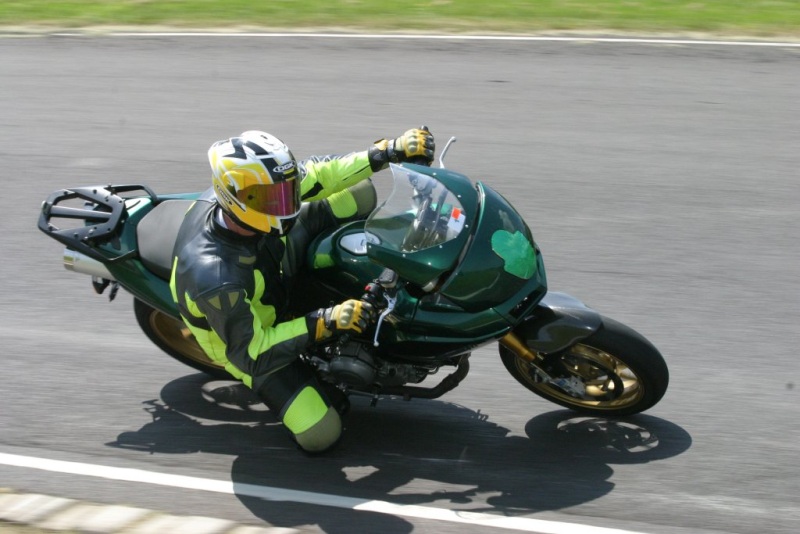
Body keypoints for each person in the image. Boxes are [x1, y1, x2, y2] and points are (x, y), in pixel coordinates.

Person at [170, 128, 435, 453]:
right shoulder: (217, 278)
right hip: (252, 341)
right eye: (274, 198)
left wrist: (385, 152)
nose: (287, 203)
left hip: (270, 260)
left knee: (357, 192)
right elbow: (253, 353)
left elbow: (322, 172)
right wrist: (324, 321)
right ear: (235, 199)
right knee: (321, 433)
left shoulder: (262, 194)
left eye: (288, 190)